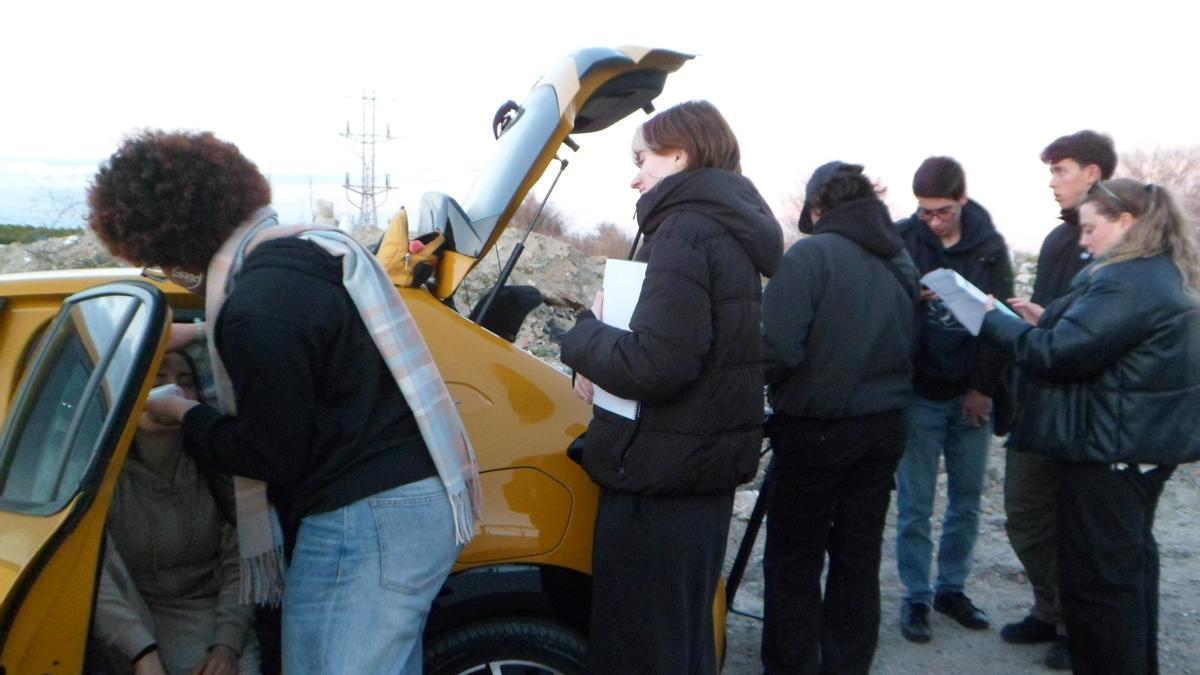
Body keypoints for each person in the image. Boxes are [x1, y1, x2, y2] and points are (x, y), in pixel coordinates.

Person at [86, 130, 479, 675]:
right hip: (409, 501)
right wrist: (195, 336)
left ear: (166, 239)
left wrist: (184, 413)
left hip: (366, 519)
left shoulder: (255, 310)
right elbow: (312, 348)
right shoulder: (299, 257)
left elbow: (271, 455)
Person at [561, 100, 782, 674]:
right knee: (680, 642)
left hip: (661, 477)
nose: (635, 175)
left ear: (679, 154)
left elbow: (659, 363)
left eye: (643, 157)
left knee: (643, 650)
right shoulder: (726, 227)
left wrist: (584, 336)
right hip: (695, 476)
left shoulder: (685, 228)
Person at [980, 178, 1200, 674]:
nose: (1083, 241)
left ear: (1126, 223)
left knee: (1100, 592)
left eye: (1090, 229)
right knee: (1127, 575)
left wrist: (988, 318)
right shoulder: (1159, 272)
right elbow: (1100, 338)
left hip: (1109, 454)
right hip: (1136, 451)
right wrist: (1049, 319)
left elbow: (1057, 356)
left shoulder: (1129, 279)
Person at [759, 161, 918, 674]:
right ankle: (847, 665)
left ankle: (792, 665)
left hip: (816, 429)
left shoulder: (810, 256)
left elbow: (776, 348)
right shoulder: (900, 261)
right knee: (858, 555)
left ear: (818, 206)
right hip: (884, 428)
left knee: (794, 557)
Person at [1000, 130, 1117, 670]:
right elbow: (1055, 326)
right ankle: (1050, 608)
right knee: (1025, 514)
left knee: (1077, 526)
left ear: (1093, 174)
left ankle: (1077, 624)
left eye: (1061, 170)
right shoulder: (1055, 242)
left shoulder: (1121, 248)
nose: (1052, 183)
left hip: (1085, 413)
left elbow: (1097, 335)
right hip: (1040, 399)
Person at [894, 156, 1013, 642]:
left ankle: (952, 589)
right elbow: (882, 301)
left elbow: (1002, 324)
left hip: (971, 391)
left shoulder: (990, 249)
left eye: (942, 210)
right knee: (915, 504)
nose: (933, 220)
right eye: (925, 211)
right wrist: (910, 295)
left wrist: (984, 388)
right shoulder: (904, 239)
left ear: (962, 200)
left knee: (965, 502)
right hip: (919, 391)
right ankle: (916, 596)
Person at [93, 351, 259, 675]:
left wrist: (226, 646)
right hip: (132, 619)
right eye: (157, 382)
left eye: (185, 383)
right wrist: (143, 654)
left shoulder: (217, 469)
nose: (173, 392)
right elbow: (98, 574)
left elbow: (241, 564)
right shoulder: (102, 480)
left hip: (212, 615)